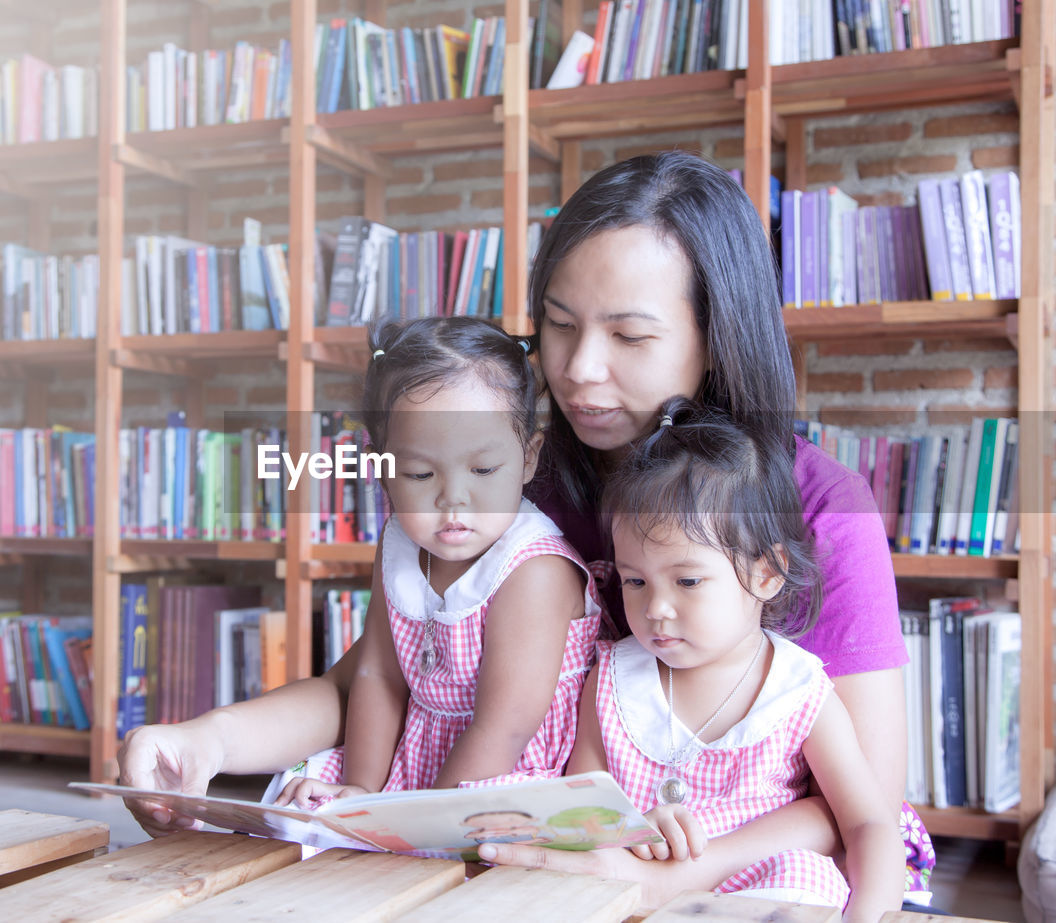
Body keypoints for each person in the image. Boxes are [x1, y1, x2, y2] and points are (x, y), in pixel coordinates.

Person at [117, 152, 933, 907]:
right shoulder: (501, 483)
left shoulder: (822, 506)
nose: (578, 369)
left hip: (732, 871)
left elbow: (860, 804)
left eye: (630, 335)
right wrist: (206, 742)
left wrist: (661, 879)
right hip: (537, 852)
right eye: (559, 324)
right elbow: (374, 682)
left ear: (714, 340)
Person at [569, 395, 904, 919]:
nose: (656, 607)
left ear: (767, 574)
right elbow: (584, 813)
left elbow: (869, 823)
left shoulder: (797, 692)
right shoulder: (610, 678)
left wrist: (871, 915)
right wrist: (632, 828)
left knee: (806, 874)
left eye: (688, 581)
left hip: (761, 895)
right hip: (635, 897)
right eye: (635, 580)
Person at [274, 316, 602, 808]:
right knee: (300, 794)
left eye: (483, 469)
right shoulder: (399, 544)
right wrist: (363, 792)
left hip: (501, 774)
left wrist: (419, 819)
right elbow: (379, 676)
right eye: (420, 473)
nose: (454, 500)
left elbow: (505, 727)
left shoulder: (534, 570)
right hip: (419, 758)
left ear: (529, 457)